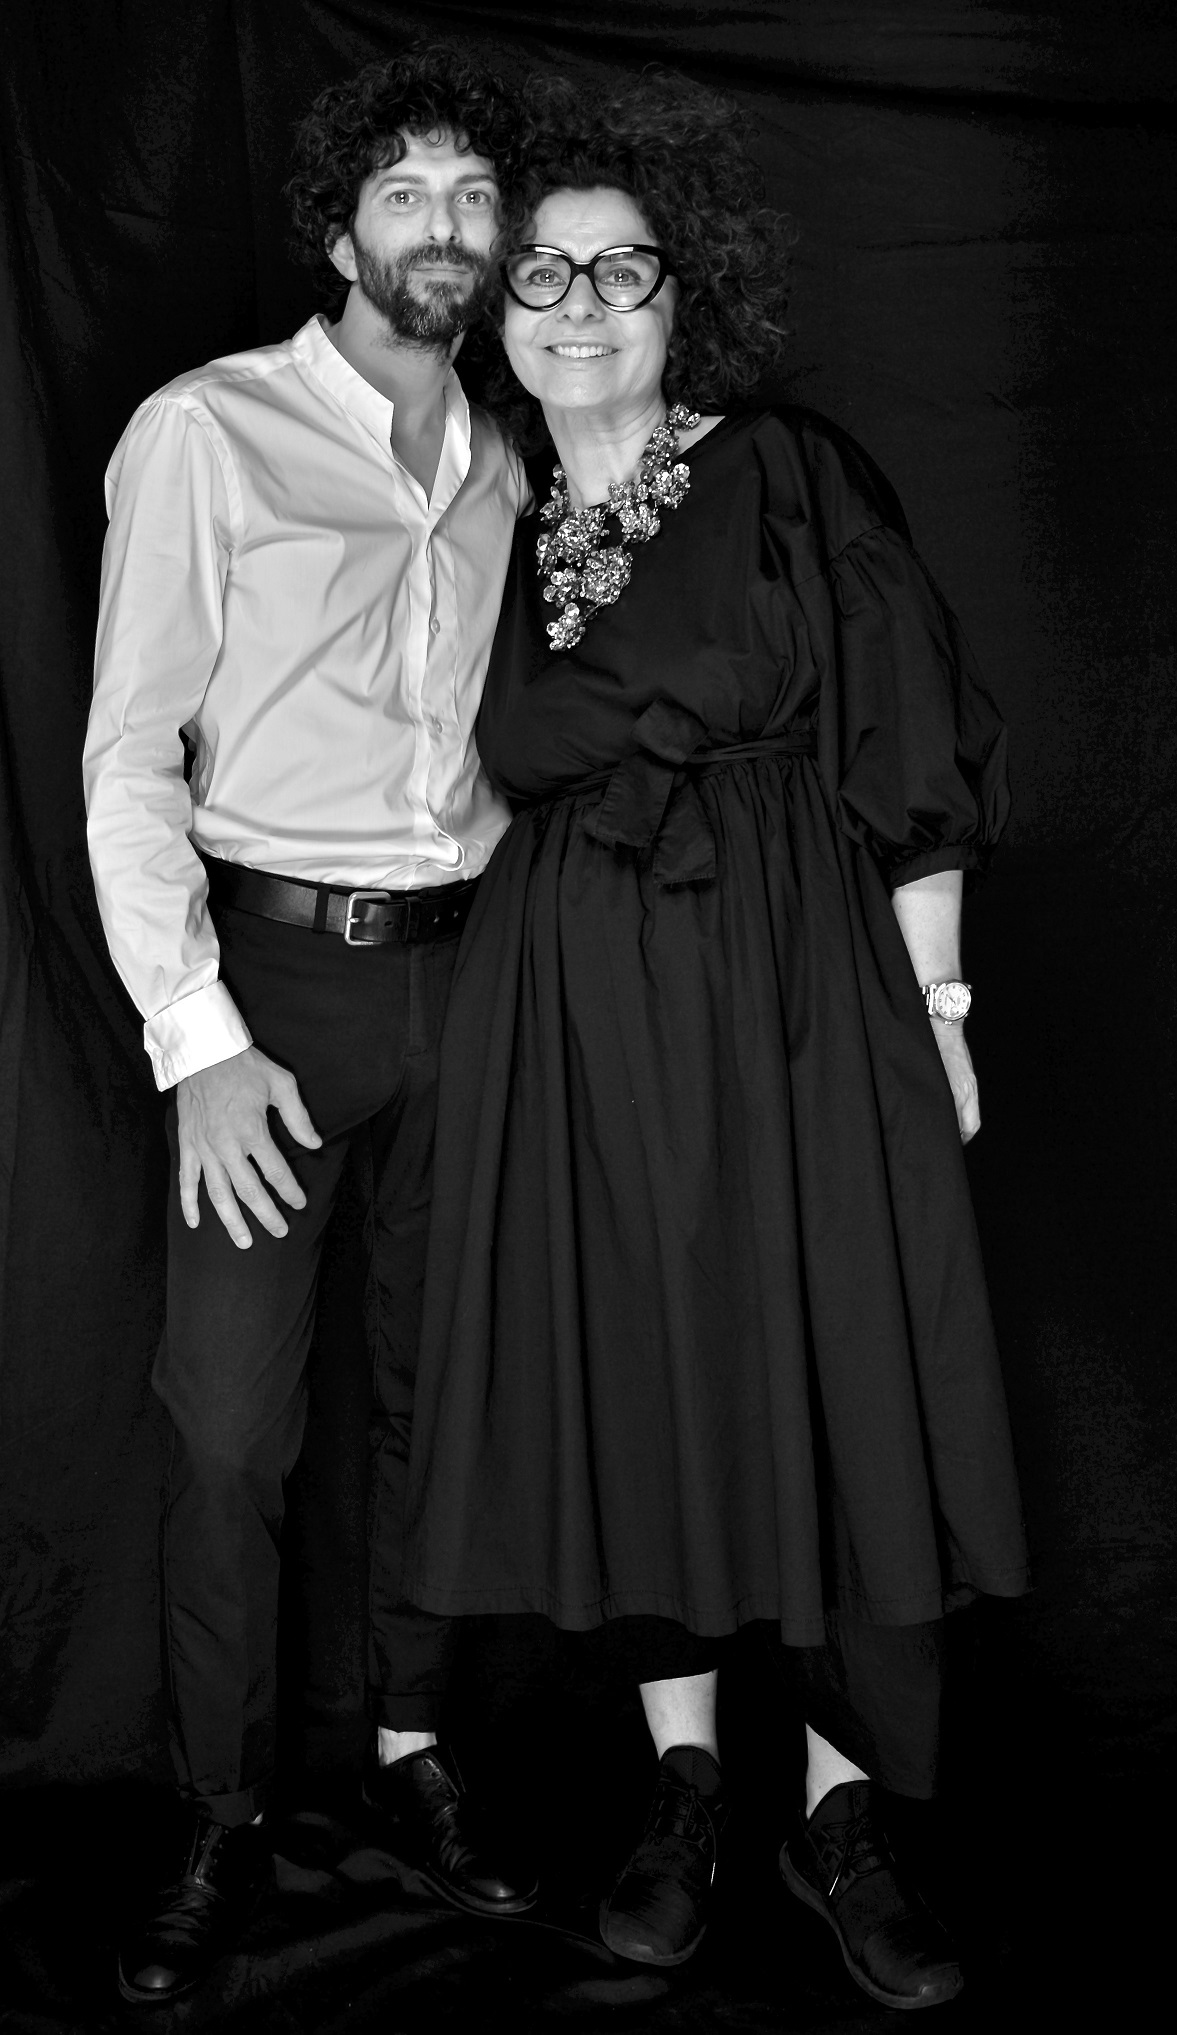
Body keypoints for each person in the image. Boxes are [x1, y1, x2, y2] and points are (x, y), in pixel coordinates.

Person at [402, 72, 1028, 2010]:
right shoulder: (488, 523)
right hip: (577, 1015)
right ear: (498, 309)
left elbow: (905, 739)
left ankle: (837, 1817)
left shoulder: (784, 472)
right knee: (641, 1369)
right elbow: (452, 783)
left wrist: (936, 1004)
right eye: (541, 273)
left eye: (623, 270)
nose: (579, 305)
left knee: (840, 1368)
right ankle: (684, 1783)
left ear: (689, 296)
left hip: (792, 986)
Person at [84, 44, 540, 2007]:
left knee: (444, 1408)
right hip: (275, 987)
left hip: (479, 978)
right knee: (227, 1432)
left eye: (473, 195)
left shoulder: (516, 452)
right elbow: (128, 754)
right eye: (406, 192)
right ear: (340, 228)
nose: (444, 225)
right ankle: (219, 1806)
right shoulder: (211, 430)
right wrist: (197, 1039)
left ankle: (414, 1758)